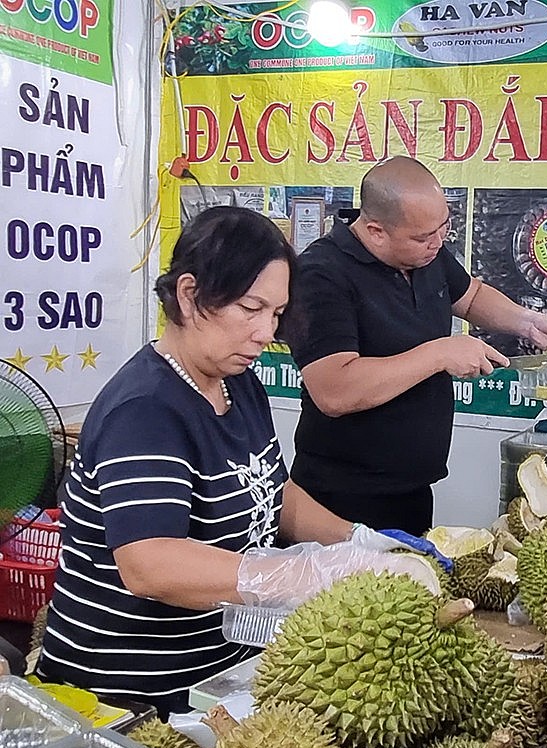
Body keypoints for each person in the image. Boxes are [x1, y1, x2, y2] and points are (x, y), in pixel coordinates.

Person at [36, 207, 440, 716]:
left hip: (217, 682)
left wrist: (354, 538)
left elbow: (272, 490)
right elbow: (149, 564)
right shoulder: (145, 410)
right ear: (189, 296)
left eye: (275, 314)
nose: (265, 333)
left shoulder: (239, 383)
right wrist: (300, 576)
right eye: (251, 308)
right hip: (124, 701)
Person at [289, 158, 547, 534]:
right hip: (339, 499)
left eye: (444, 228)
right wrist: (439, 353)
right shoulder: (320, 274)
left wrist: (527, 322)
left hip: (412, 490)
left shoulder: (426, 252)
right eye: (424, 237)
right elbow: (334, 390)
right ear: (375, 231)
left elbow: (469, 296)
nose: (438, 244)